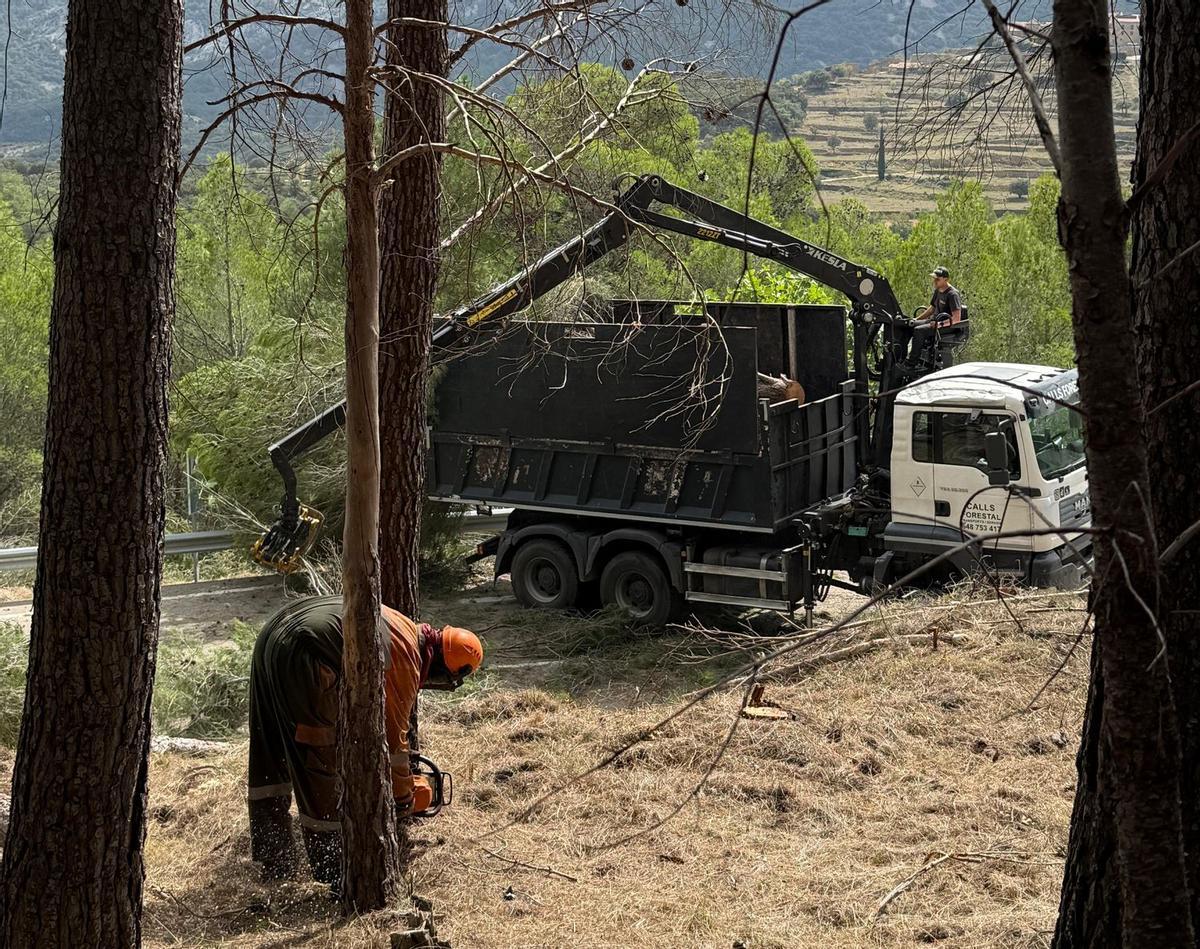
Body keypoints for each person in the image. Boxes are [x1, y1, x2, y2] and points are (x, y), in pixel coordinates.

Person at [246, 595, 483, 887]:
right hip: (304, 649)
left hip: (272, 634)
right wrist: (404, 799)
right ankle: (333, 871)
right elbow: (393, 746)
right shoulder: (406, 659)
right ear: (442, 668)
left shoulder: (404, 626)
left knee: (268, 747)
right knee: (318, 758)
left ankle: (273, 859)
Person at [906, 266, 964, 368]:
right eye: (934, 279)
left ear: (946, 279)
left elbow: (956, 319)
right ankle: (902, 356)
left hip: (947, 326)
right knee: (908, 325)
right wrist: (916, 319)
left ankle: (911, 364)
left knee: (919, 331)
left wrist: (939, 324)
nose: (935, 281)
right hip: (935, 321)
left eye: (937, 279)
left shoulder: (952, 294)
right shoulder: (938, 290)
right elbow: (932, 309)